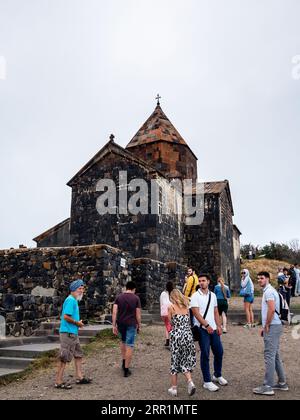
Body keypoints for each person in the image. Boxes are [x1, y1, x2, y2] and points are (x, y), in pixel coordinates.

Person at [191, 274, 228, 392]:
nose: (201, 283)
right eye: (200, 281)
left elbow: (216, 311)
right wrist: (206, 325)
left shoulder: (213, 295)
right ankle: (207, 381)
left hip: (213, 328)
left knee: (219, 352)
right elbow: (196, 313)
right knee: (205, 354)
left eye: (203, 281)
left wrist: (218, 325)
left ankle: (217, 375)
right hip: (202, 329)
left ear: (208, 282)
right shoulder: (195, 296)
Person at [253, 272, 288, 396]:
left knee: (269, 355)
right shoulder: (271, 290)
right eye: (258, 278)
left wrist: (266, 325)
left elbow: (272, 309)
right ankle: (282, 383)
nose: (259, 280)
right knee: (275, 354)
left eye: (262, 278)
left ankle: (268, 386)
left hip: (272, 325)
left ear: (267, 279)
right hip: (276, 325)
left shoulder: (268, 292)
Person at [55, 280, 92, 389]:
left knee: (78, 354)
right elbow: (65, 316)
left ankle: (79, 377)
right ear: (73, 289)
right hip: (68, 333)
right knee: (64, 356)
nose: (81, 291)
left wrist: (77, 323)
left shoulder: (73, 300)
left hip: (73, 333)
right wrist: (77, 323)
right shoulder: (71, 300)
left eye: (82, 288)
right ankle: (58, 381)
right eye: (79, 289)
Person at [168, 289, 197, 397]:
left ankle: (174, 388)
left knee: (175, 360)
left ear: (172, 297)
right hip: (188, 335)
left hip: (177, 336)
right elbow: (189, 322)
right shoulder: (186, 307)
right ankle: (190, 381)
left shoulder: (171, 307)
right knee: (184, 360)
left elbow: (170, 322)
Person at [112, 281, 142, 378]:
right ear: (134, 289)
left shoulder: (119, 297)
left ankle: (124, 361)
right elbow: (138, 314)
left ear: (126, 287)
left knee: (123, 341)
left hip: (121, 323)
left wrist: (113, 325)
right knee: (130, 345)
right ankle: (126, 369)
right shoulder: (136, 298)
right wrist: (139, 325)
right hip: (131, 323)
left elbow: (114, 312)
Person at [160, 281, 174, 347]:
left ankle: (167, 340)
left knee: (167, 326)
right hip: (171, 311)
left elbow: (161, 302)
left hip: (163, 312)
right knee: (171, 326)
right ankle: (172, 340)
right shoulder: (172, 293)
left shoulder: (163, 293)